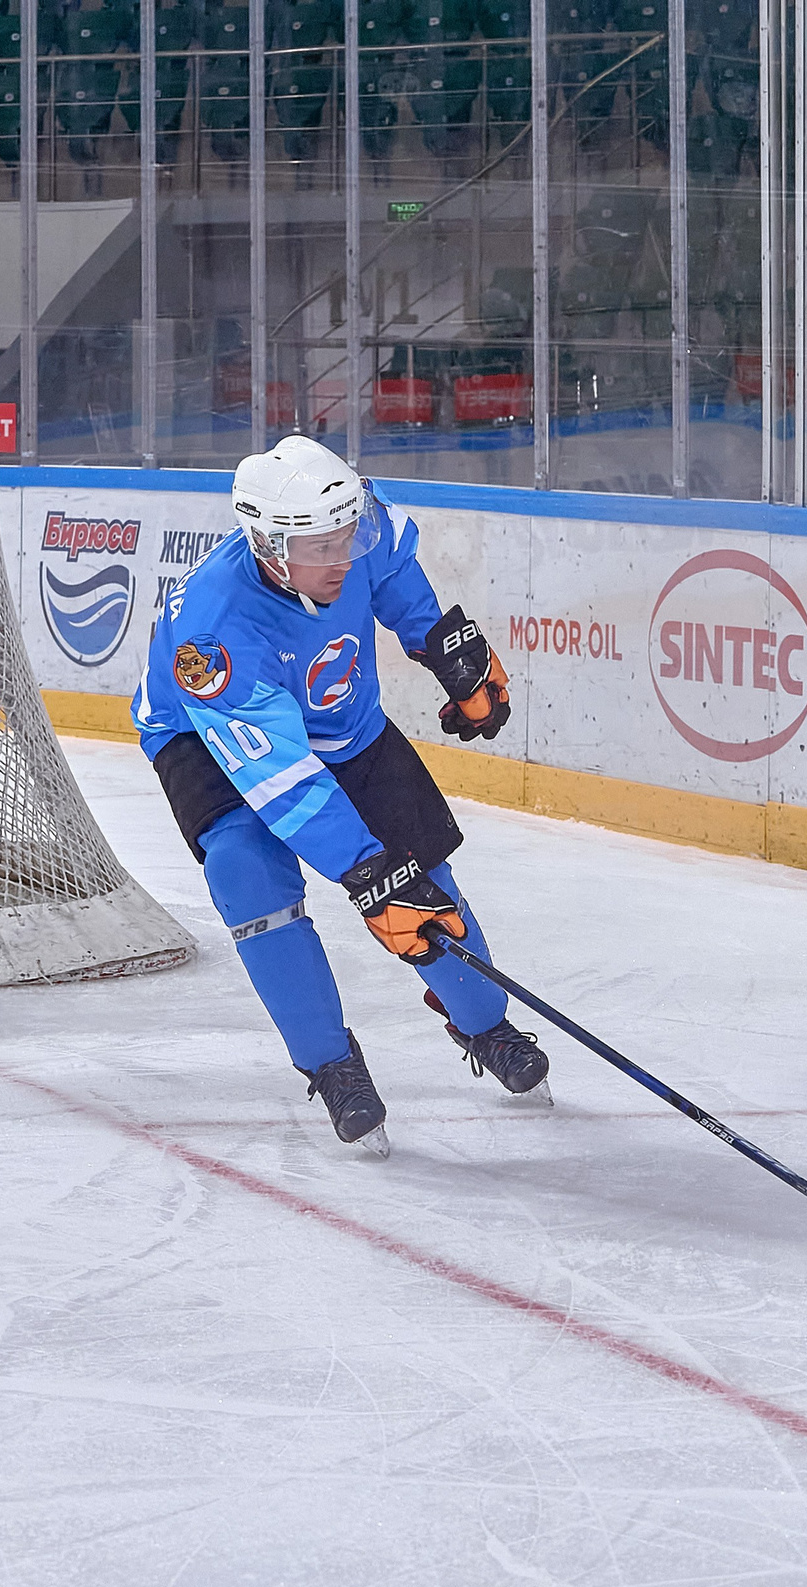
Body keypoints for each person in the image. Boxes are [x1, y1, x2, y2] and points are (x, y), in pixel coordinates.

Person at [133, 435, 546, 1155]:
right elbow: (283, 780)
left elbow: (391, 575)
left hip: (339, 719)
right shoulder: (212, 637)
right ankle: (332, 1065)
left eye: (346, 537)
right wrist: (365, 871)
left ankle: (485, 1022)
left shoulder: (351, 521)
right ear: (267, 545)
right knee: (249, 872)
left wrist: (446, 648)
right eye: (321, 549)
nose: (342, 557)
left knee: (423, 877)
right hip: (207, 737)